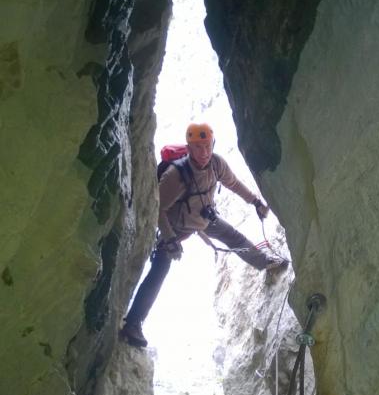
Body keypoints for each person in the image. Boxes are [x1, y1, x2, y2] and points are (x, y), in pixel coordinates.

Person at [120, 122, 288, 347]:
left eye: (208, 146)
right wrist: (169, 239)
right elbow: (157, 208)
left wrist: (255, 202)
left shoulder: (216, 164)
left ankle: (266, 262)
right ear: (189, 149)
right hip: (175, 227)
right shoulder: (175, 175)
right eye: (198, 148)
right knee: (160, 269)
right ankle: (132, 323)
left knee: (233, 236)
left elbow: (234, 184)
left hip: (203, 217)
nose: (204, 152)